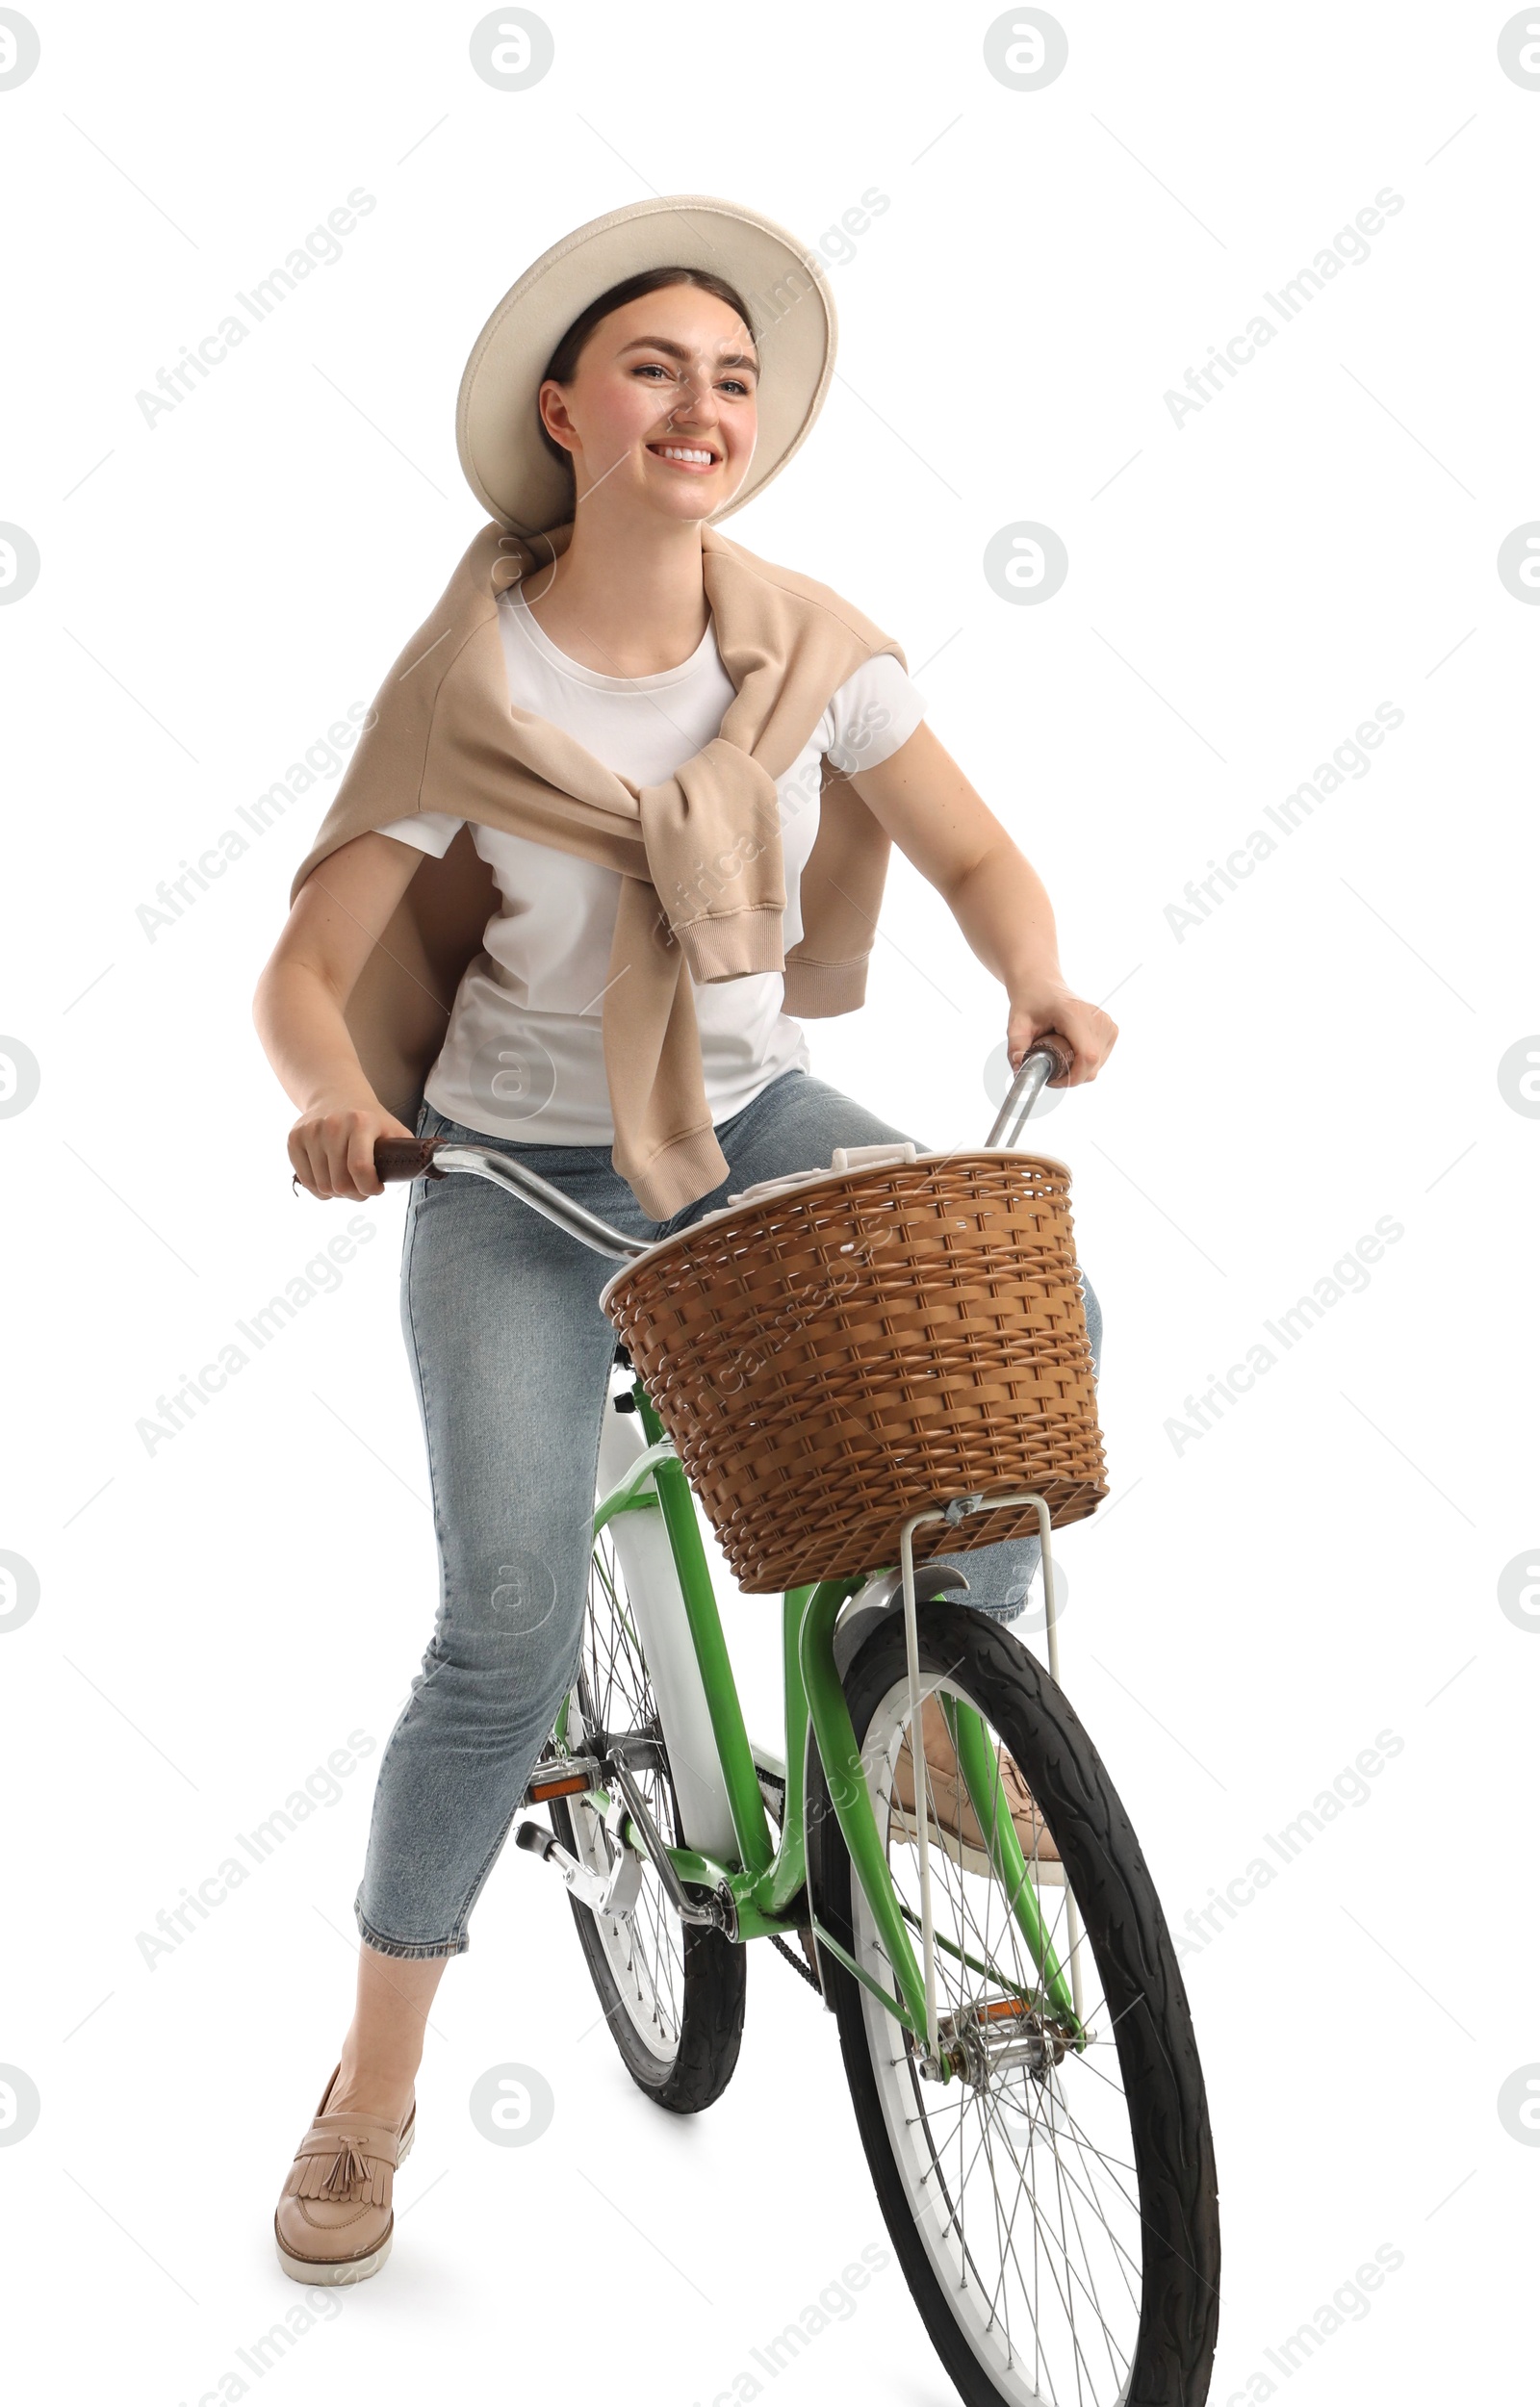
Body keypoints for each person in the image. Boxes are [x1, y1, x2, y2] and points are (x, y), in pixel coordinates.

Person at [252, 195, 1116, 2286]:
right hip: (510, 1182)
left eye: (732, 380)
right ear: (564, 412)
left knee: (1033, 1295)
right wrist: (332, 1100)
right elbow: (312, 960)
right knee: (504, 1633)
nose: (699, 406)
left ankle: (905, 1718)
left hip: (745, 1124)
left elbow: (978, 849)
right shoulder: (467, 685)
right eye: (654, 367)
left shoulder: (813, 650)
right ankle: (370, 2088)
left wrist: (1031, 971)